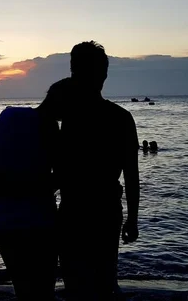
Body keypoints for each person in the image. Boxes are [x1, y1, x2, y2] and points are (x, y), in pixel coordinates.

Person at [40, 41, 140, 300]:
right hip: (105, 209)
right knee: (104, 279)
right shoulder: (120, 118)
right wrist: (132, 219)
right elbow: (131, 174)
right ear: (104, 74)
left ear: (73, 72)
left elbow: (39, 126)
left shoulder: (69, 117)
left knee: (76, 284)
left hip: (74, 210)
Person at [0, 104, 59, 301]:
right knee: (45, 289)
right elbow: (61, 172)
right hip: (40, 219)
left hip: (4, 220)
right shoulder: (49, 125)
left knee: (22, 289)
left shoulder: (5, 116)